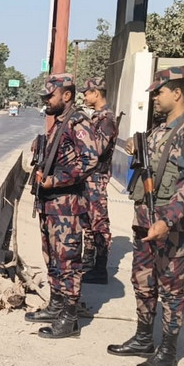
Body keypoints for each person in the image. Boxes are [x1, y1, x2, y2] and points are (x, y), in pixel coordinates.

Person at [107, 66, 184, 366]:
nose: (154, 98)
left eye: (159, 92)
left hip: (171, 225)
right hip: (144, 219)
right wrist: (133, 145)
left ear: (177, 93)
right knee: (142, 279)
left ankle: (168, 350)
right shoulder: (158, 131)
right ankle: (143, 338)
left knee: (170, 287)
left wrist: (167, 220)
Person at [25, 73, 99, 338]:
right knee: (52, 257)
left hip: (67, 205)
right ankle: (56, 304)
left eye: (50, 96)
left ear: (67, 95)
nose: (46, 100)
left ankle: (70, 317)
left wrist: (56, 180)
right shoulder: (60, 123)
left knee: (68, 261)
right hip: (50, 204)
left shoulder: (79, 122)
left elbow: (90, 161)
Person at [79, 76, 118, 285]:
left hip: (97, 177)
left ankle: (100, 269)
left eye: (86, 93)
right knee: (87, 221)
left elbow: (96, 149)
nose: (84, 97)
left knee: (99, 223)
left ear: (96, 93)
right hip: (88, 177)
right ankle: (88, 261)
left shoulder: (106, 119)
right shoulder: (95, 117)